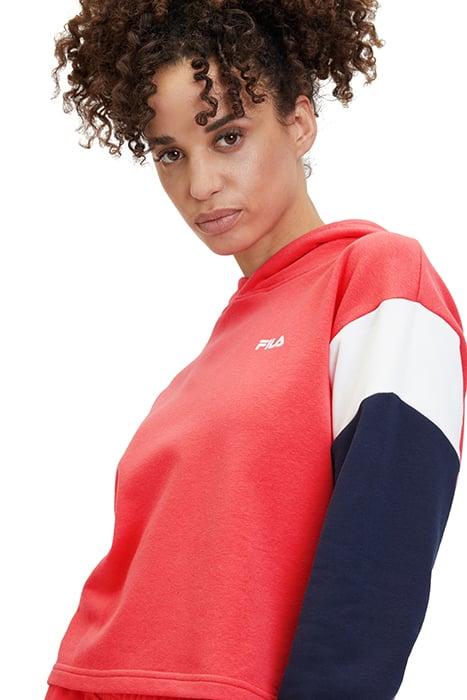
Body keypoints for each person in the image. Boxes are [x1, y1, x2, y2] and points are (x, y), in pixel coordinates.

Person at [45, 1, 466, 699]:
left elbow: (382, 551)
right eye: (170, 153)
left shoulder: (377, 277)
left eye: (228, 137)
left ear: (299, 123)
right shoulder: (209, 359)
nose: (199, 185)